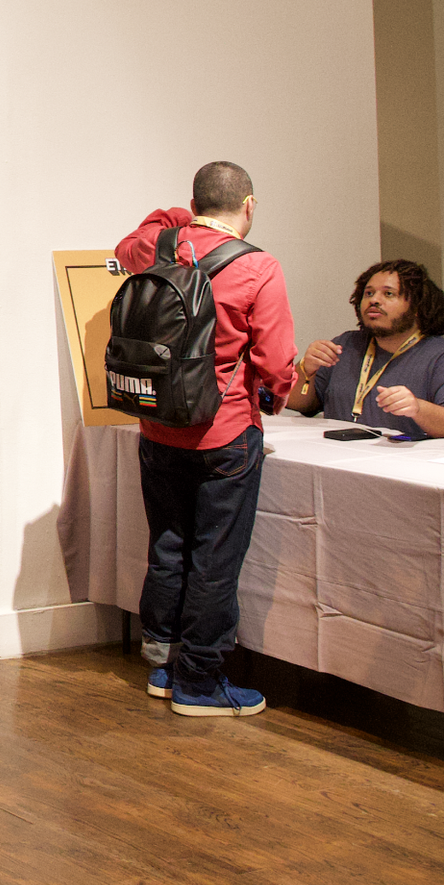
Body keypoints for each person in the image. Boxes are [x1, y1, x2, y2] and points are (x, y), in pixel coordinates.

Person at [115, 161, 297, 718]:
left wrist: (175, 218)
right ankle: (199, 681)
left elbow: (127, 242)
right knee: (215, 558)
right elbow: (274, 361)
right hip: (224, 431)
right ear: (249, 204)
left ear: (193, 202)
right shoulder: (259, 267)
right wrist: (278, 396)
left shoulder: (154, 246)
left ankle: (165, 666)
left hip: (156, 424)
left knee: (168, 546)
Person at [289, 260, 444, 441]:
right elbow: (297, 403)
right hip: (341, 459)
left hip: (409, 464)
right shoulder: (347, 344)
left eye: (388, 294)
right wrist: (307, 367)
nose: (374, 300)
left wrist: (418, 409)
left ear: (417, 306)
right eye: (369, 293)